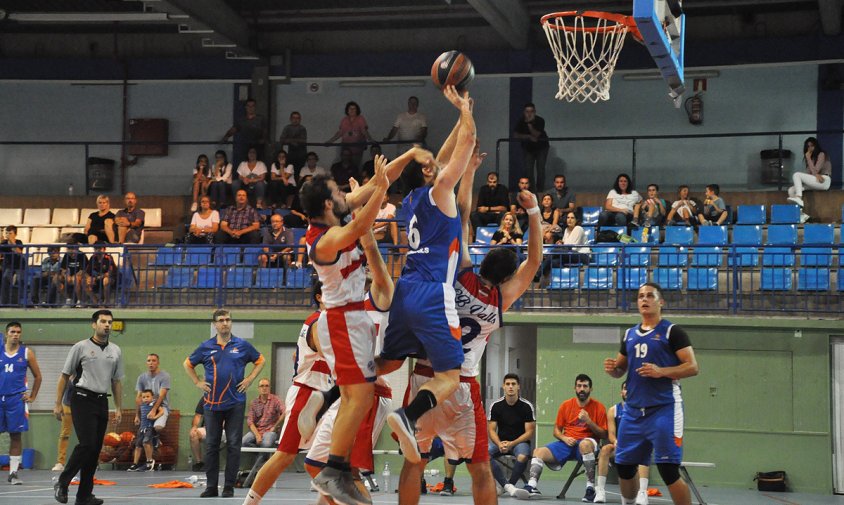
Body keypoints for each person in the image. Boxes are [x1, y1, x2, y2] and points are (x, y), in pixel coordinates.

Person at [395, 143, 542, 505]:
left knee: (414, 462)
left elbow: (461, 214)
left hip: (425, 376)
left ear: (483, 260)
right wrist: (534, 212)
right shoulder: (499, 300)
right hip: (461, 386)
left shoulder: (458, 274)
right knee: (479, 469)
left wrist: (471, 169)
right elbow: (535, 260)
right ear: (506, 276)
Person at [375, 86, 475, 473]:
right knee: (450, 374)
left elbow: (448, 151)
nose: (437, 162)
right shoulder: (440, 192)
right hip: (434, 292)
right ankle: (407, 414)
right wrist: (464, 112)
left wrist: (460, 120)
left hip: (406, 290)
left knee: (388, 361)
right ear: (430, 173)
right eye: (433, 163)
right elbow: (463, 150)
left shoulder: (412, 199)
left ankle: (340, 388)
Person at [298, 154, 391, 505]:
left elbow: (363, 197)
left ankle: (324, 406)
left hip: (351, 318)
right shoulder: (324, 239)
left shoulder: (332, 218)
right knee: (362, 396)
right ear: (326, 203)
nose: (343, 194)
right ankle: (334, 469)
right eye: (337, 191)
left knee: (363, 393)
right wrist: (381, 187)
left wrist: (407, 159)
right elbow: (359, 222)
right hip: (342, 318)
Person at [604, 282, 700, 505]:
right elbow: (621, 370)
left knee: (668, 470)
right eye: (640, 296)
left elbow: (693, 367)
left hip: (664, 409)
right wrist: (613, 369)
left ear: (661, 302)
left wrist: (662, 371)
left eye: (649, 296)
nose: (644, 300)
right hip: (634, 411)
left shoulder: (672, 331)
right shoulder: (629, 334)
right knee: (625, 467)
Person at [241, 283, 334, 505]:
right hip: (307, 393)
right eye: (332, 291)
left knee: (328, 458)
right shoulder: (318, 320)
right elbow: (327, 352)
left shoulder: (328, 321)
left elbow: (299, 354)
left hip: (326, 394)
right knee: (285, 454)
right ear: (320, 297)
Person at [184, 309, 265, 499]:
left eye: (228, 319)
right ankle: (211, 486)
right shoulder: (206, 347)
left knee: (234, 445)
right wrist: (197, 382)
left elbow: (260, 360)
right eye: (221, 320)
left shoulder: (242, 345)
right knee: (211, 445)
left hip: (235, 403)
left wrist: (250, 379)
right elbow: (187, 364)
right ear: (215, 325)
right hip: (211, 404)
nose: (225, 323)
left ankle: (229, 486)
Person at [53, 310, 124, 505]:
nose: (107, 325)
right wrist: (57, 403)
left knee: (94, 450)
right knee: (86, 444)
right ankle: (62, 481)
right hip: (82, 398)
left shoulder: (116, 351)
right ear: (94, 324)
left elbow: (116, 381)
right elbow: (64, 376)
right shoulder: (80, 347)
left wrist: (118, 407)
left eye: (110, 322)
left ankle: (84, 495)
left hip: (102, 401)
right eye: (103, 321)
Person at [518, 374, 608, 502]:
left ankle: (590, 489)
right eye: (579, 386)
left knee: (584, 445)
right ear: (575, 388)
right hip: (567, 443)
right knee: (538, 452)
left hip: (587, 444)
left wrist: (589, 421)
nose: (582, 389)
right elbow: (556, 431)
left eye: (585, 386)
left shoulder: (599, 407)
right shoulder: (566, 405)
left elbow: (604, 434)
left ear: (590, 389)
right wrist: (564, 438)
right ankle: (532, 486)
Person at [593, 381, 651, 505]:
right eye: (625, 388)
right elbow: (611, 435)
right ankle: (600, 490)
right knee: (604, 450)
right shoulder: (613, 410)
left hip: (636, 447)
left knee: (643, 451)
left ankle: (642, 492)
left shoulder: (643, 409)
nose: (627, 391)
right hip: (619, 447)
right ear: (621, 392)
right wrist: (617, 442)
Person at [1, 322, 42, 485]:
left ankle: (13, 473)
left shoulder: (26, 353)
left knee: (15, 436)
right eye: (12, 331)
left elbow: (38, 376)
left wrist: (32, 397)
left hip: (16, 400)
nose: (16, 334)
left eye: (18, 332)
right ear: (6, 333)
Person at [488, 374, 536, 498]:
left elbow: (529, 432)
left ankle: (509, 485)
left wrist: (512, 444)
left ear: (518, 386)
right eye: (508, 384)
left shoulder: (526, 406)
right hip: (500, 442)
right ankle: (508, 487)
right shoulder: (496, 406)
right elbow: (492, 430)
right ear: (503, 386)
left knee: (523, 456)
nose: (510, 387)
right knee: (483, 454)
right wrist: (499, 444)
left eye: (513, 384)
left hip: (519, 443)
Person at [787, 136, 832, 217]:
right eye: (808, 146)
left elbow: (816, 170)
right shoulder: (810, 159)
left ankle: (799, 197)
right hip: (815, 181)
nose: (810, 148)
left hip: (824, 180)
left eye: (812, 146)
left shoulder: (822, 154)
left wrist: (808, 159)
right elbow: (809, 174)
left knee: (796, 174)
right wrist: (814, 173)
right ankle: (800, 215)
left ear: (816, 146)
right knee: (791, 190)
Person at [513, 103, 550, 190]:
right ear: (524, 112)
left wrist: (529, 124)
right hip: (528, 149)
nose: (529, 114)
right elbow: (515, 135)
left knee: (540, 170)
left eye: (531, 111)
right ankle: (532, 190)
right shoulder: (521, 121)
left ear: (535, 112)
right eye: (527, 111)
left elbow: (536, 134)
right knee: (529, 171)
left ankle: (540, 190)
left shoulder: (540, 120)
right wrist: (528, 136)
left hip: (541, 147)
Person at [326, 100, 374, 167]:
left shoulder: (360, 119)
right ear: (347, 110)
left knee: (355, 167)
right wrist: (330, 141)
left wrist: (371, 140)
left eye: (354, 108)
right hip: (346, 149)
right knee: (344, 166)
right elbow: (340, 133)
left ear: (357, 110)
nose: (352, 110)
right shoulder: (344, 120)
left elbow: (364, 131)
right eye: (350, 108)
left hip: (357, 149)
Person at [222, 98, 267, 167]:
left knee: (259, 164)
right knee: (245, 164)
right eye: (249, 106)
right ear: (246, 107)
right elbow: (234, 129)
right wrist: (226, 136)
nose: (250, 108)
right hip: (245, 145)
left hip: (258, 145)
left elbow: (265, 130)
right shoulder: (242, 120)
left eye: (252, 106)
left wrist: (263, 139)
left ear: (255, 107)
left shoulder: (261, 119)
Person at [135, 353, 171, 439]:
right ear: (146, 363)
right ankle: (151, 441)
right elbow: (138, 397)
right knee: (142, 433)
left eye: (154, 361)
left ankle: (155, 438)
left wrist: (154, 410)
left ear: (158, 363)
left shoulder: (165, 376)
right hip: (146, 408)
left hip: (161, 407)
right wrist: (137, 414)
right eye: (149, 361)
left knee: (158, 427)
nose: (151, 363)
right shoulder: (141, 378)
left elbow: (162, 395)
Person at [127, 389, 163, 472]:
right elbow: (139, 412)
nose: (146, 398)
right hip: (141, 428)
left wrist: (155, 417)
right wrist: (137, 417)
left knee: (146, 443)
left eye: (148, 396)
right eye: (144, 397)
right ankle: (135, 464)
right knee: (138, 445)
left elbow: (162, 411)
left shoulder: (154, 404)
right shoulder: (142, 405)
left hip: (149, 428)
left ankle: (149, 461)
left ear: (152, 397)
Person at [470, 172, 511, 238]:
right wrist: (493, 209)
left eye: (494, 182)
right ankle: (481, 237)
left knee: (504, 215)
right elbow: (480, 208)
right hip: (487, 215)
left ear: (498, 182)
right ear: (487, 182)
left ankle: (500, 237)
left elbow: (504, 208)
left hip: (498, 215)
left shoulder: (503, 189)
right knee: (474, 215)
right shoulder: (483, 189)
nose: (492, 184)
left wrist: (487, 209)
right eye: (490, 182)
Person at [52, 379, 74, 472]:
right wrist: (58, 405)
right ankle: (60, 462)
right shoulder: (68, 376)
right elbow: (61, 389)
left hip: (82, 407)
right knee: (64, 434)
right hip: (67, 406)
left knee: (85, 436)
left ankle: (88, 461)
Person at [0, 226, 24, 306]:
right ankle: (4, 303)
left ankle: (19, 302)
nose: (8, 235)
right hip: (8, 267)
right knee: (5, 278)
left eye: (10, 233)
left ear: (15, 234)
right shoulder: (3, 243)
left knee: (20, 280)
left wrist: (11, 242)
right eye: (7, 233)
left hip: (19, 266)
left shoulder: (19, 242)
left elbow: (18, 252)